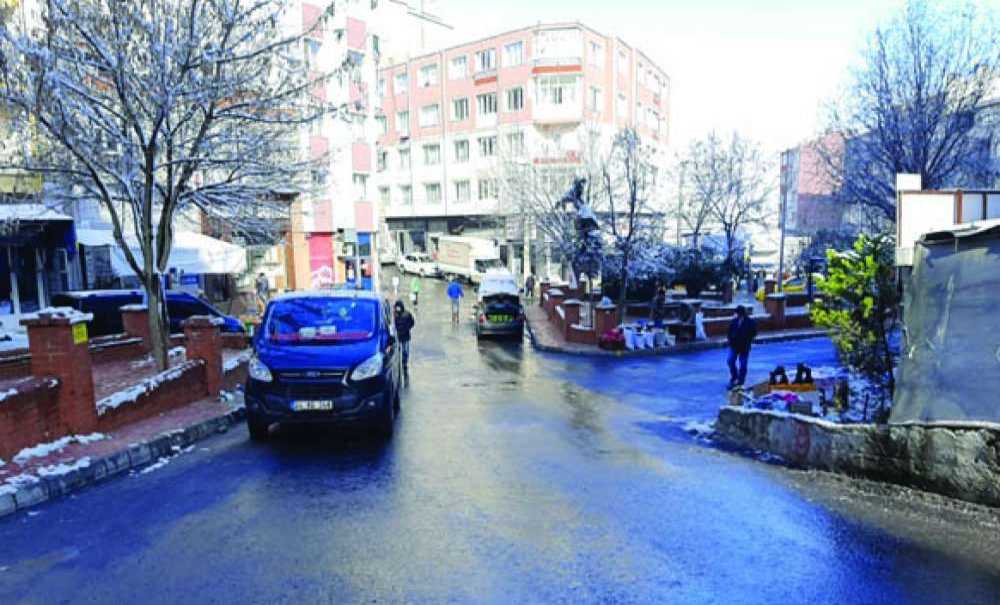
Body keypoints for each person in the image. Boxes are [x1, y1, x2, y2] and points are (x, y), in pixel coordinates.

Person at [727, 305, 758, 389]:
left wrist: (748, 339)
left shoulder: (750, 322)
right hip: (734, 345)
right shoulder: (734, 321)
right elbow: (729, 332)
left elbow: (754, 333)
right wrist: (730, 340)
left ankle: (741, 380)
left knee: (743, 364)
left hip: (744, 347)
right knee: (730, 361)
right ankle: (734, 376)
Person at [394, 300, 415, 374]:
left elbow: (412, 322)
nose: (397, 309)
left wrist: (407, 328)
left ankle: (404, 362)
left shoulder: (407, 314)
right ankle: (401, 362)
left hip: (405, 336)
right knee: (400, 350)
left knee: (405, 350)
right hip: (399, 336)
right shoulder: (395, 315)